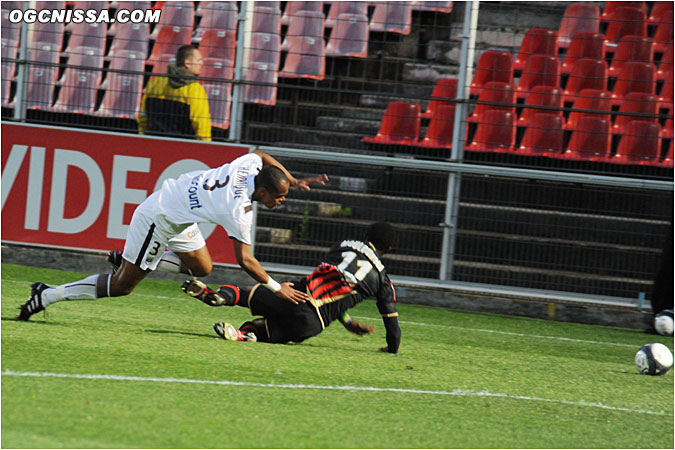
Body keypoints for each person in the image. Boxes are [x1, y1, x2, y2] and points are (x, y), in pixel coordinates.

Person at [18, 151, 328, 321]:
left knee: (203, 269)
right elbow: (246, 260)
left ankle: (131, 259)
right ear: (261, 192)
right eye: (280, 197)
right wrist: (277, 288)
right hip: (159, 218)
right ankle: (46, 295)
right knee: (123, 286)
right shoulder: (238, 209)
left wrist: (290, 179)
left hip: (181, 214)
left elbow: (262, 155)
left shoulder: (247, 166)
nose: (281, 202)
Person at [181, 222, 402, 353]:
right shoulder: (382, 279)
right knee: (262, 328)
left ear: (366, 236)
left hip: (294, 295)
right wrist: (392, 346)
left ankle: (219, 296)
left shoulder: (343, 245)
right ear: (388, 248)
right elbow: (391, 323)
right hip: (312, 323)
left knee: (242, 292)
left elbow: (331, 283)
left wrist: (348, 321)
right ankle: (244, 335)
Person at [138, 45, 211, 141]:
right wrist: (205, 146)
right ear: (187, 63)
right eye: (199, 60)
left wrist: (144, 137)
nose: (202, 63)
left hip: (154, 141)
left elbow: (143, 116)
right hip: (182, 145)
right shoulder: (194, 89)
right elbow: (201, 123)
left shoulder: (155, 82)